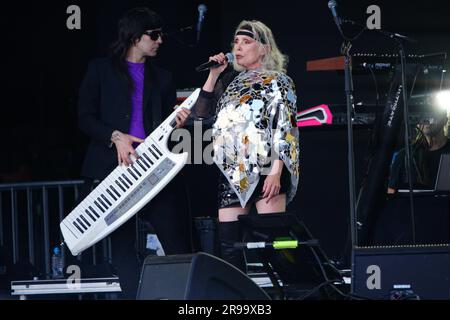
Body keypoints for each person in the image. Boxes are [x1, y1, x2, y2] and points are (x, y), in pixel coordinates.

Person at [77, 7, 192, 298]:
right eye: (153, 35)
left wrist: (177, 122)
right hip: (112, 171)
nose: (159, 41)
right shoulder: (100, 69)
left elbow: (166, 128)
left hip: (153, 169)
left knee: (175, 241)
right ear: (134, 37)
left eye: (160, 35)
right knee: (123, 248)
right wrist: (115, 137)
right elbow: (84, 117)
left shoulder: (163, 77)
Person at [193, 20, 300, 271]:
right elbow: (200, 114)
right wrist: (213, 74)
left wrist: (276, 172)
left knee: (275, 243)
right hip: (234, 168)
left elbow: (286, 127)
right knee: (230, 246)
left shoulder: (279, 81)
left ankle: (288, 289)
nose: (238, 47)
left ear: (263, 48)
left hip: (266, 166)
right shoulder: (230, 81)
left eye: (246, 42)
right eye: (236, 42)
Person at [388, 109, 450, 193]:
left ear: (445, 120)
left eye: (434, 115)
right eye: (423, 117)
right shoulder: (404, 155)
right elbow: (391, 190)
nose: (427, 121)